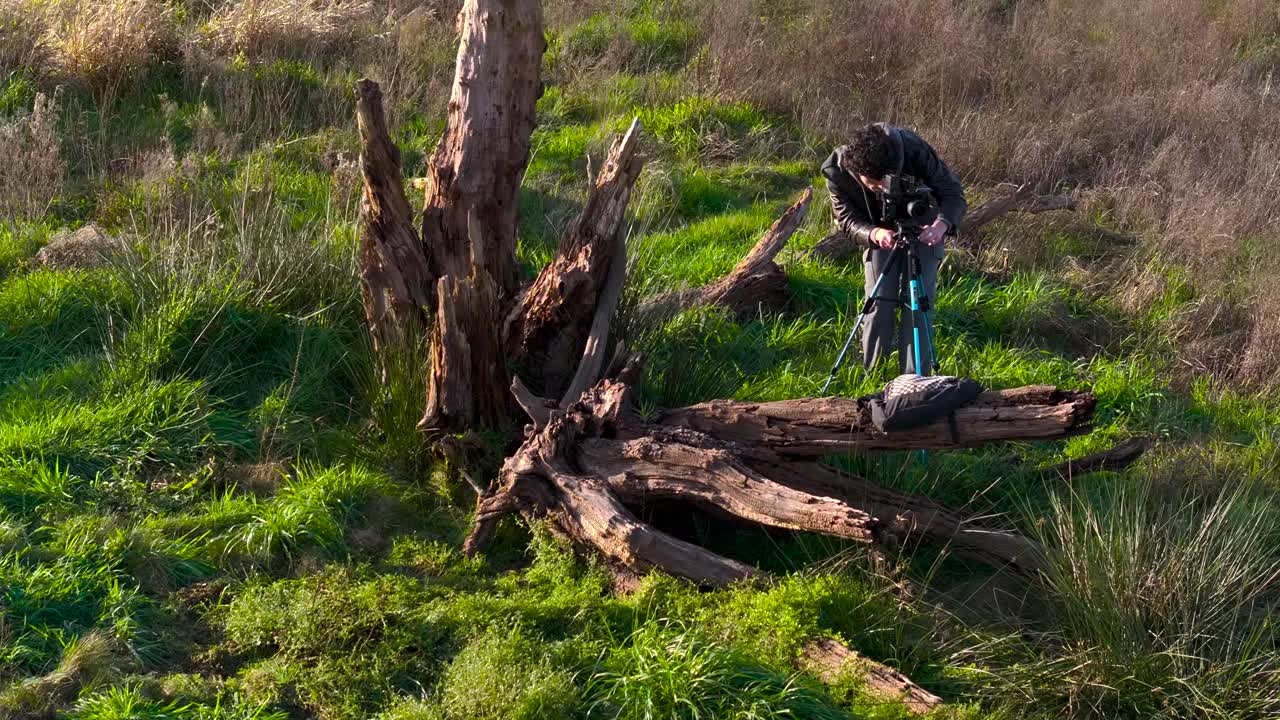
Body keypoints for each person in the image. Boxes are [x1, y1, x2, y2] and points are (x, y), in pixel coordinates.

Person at [821, 123, 967, 375]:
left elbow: (953, 193)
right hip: (877, 234)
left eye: (885, 182)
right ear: (858, 172)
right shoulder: (836, 170)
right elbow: (845, 217)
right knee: (878, 301)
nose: (881, 189)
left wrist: (941, 225)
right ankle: (871, 374)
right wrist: (873, 233)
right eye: (874, 185)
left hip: (924, 230)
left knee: (918, 305)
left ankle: (915, 379)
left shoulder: (913, 150)